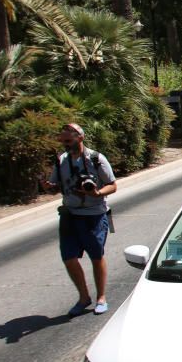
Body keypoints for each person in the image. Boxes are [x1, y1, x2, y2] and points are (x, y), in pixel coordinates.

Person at [42, 123, 118, 316]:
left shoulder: (96, 158)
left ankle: (101, 297)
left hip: (94, 215)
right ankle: (84, 297)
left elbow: (112, 185)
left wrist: (97, 193)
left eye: (69, 140)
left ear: (80, 138)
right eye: (63, 141)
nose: (66, 144)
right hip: (69, 215)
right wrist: (48, 186)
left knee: (96, 256)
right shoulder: (61, 160)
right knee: (68, 257)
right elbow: (55, 185)